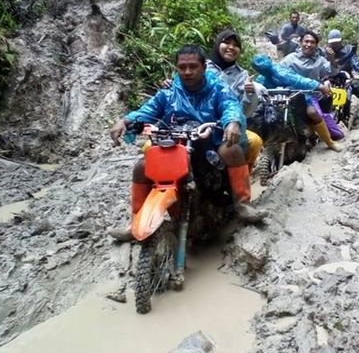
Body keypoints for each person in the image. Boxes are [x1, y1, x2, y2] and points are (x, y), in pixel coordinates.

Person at [109, 45, 266, 238]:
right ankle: (136, 221)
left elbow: (230, 105)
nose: (187, 71)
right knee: (142, 167)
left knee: (231, 150)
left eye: (193, 66)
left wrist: (232, 122)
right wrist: (125, 120)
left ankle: (243, 204)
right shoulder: (168, 92)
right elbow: (147, 111)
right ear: (177, 68)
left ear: (203, 67)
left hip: (210, 143)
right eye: (182, 67)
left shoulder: (217, 88)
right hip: (178, 144)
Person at [263, 32, 343, 152]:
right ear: (301, 43)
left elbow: (332, 72)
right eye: (306, 41)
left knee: (312, 112)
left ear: (316, 45)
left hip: (311, 94)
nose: (308, 44)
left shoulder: (320, 60)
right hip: (291, 94)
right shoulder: (290, 58)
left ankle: (330, 142)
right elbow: (278, 72)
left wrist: (331, 59)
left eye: (312, 42)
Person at [206, 30, 264, 168]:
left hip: (228, 124)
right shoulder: (201, 66)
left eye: (235, 45)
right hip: (196, 122)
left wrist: (249, 95)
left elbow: (245, 112)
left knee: (254, 142)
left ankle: (243, 182)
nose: (231, 47)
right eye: (226, 42)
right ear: (217, 44)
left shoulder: (242, 75)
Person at [323, 29, 359, 121]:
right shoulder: (323, 53)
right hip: (328, 79)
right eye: (332, 43)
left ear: (341, 41)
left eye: (337, 43)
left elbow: (355, 62)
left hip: (346, 79)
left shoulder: (349, 50)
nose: (335, 45)